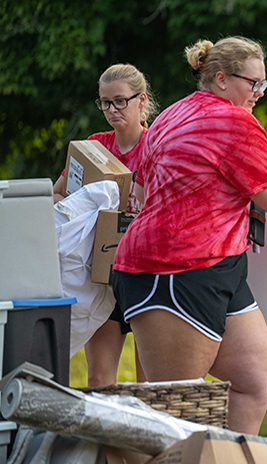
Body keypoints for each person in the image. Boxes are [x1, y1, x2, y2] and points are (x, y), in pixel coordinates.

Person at [110, 36, 267, 435]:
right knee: (176, 411)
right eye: (251, 83)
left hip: (218, 264)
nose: (258, 93)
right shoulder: (235, 121)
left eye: (263, 84)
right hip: (174, 267)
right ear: (221, 78)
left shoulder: (172, 113)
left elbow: (142, 190)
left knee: (253, 374)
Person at [53, 63, 157, 387]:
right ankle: (105, 441)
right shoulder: (94, 146)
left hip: (145, 274)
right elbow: (59, 195)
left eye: (120, 101)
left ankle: (143, 440)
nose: (112, 110)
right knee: (99, 379)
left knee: (148, 383)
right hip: (101, 275)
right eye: (104, 102)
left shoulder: (158, 144)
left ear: (141, 100)